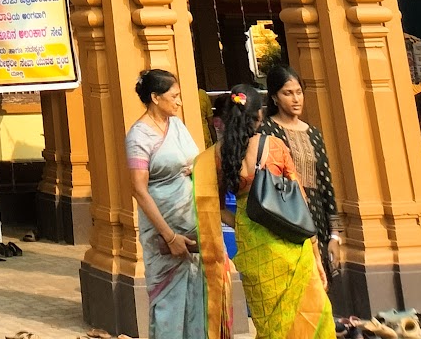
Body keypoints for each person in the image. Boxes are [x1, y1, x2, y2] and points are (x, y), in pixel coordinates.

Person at [222, 83, 334, 339]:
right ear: (259, 114)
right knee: (312, 314)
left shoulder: (220, 155)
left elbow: (215, 207)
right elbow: (300, 199)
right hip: (289, 246)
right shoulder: (274, 146)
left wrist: (243, 223)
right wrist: (316, 255)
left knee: (270, 324)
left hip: (253, 253)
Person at [126, 69, 206, 339]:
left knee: (197, 299)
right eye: (174, 96)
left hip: (191, 225)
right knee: (168, 305)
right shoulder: (139, 136)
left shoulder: (178, 126)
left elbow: (196, 163)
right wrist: (170, 237)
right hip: (162, 232)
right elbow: (138, 189)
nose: (179, 102)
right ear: (155, 97)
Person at [263, 65, 341, 285]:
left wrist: (335, 234)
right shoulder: (267, 131)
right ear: (275, 97)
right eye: (288, 93)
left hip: (316, 218)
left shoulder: (313, 133)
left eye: (299, 92)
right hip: (285, 219)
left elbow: (326, 183)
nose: (296, 99)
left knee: (321, 285)